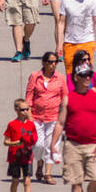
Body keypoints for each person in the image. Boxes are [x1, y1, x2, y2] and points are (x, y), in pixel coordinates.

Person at [50, 62, 96, 192]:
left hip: (93, 145)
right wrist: (53, 144)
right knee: (76, 181)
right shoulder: (68, 99)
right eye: (84, 76)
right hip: (72, 145)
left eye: (89, 75)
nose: (88, 78)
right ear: (76, 78)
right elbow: (60, 123)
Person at [26, 53, 68, 182]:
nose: (53, 64)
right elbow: (29, 96)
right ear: (43, 63)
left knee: (51, 144)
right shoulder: (35, 76)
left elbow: (65, 97)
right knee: (38, 145)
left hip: (54, 117)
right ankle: (39, 163)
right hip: (36, 116)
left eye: (55, 62)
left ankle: (47, 173)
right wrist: (29, 116)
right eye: (50, 62)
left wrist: (64, 115)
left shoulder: (60, 78)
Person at [55, 0, 96, 74]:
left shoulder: (93, 2)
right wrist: (59, 44)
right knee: (70, 73)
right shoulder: (66, 1)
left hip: (87, 41)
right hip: (70, 42)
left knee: (85, 73)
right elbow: (61, 23)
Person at [3, 99, 37, 192]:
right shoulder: (12, 124)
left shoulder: (31, 124)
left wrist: (30, 142)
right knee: (15, 181)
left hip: (27, 156)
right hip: (15, 156)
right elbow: (6, 141)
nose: (26, 111)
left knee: (27, 181)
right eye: (23, 110)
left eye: (27, 109)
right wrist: (16, 143)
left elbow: (34, 138)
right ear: (16, 110)